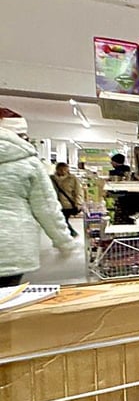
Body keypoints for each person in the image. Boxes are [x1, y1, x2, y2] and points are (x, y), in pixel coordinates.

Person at [0, 109, 76, 286]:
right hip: (11, 247)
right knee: (6, 305)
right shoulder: (28, 162)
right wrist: (64, 241)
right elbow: (47, 207)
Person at [51, 162, 82, 237]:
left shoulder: (73, 178)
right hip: (55, 203)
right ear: (57, 169)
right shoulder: (51, 178)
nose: (63, 171)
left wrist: (78, 203)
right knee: (61, 220)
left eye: (65, 170)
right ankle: (69, 234)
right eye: (60, 170)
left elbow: (78, 192)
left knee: (63, 219)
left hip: (68, 204)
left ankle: (71, 233)